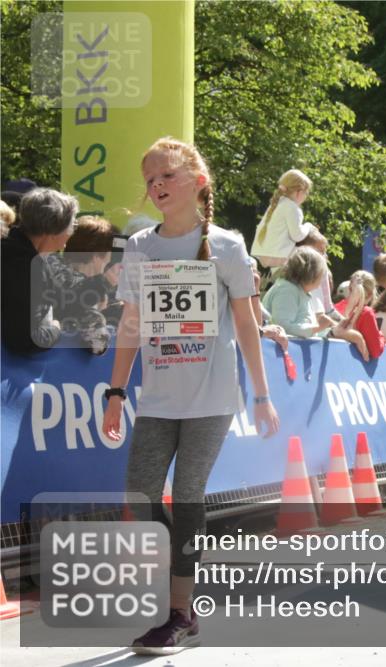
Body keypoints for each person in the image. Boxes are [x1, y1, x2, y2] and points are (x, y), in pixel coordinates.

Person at [101, 137, 279, 654]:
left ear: (197, 182)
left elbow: (246, 323)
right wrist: (116, 391)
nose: (156, 186)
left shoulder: (225, 244)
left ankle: (179, 613)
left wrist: (261, 394)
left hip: (212, 397)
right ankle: (182, 597)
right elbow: (131, 325)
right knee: (140, 491)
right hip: (157, 398)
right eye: (150, 179)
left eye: (167, 177)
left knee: (189, 495)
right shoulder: (140, 246)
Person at [0, 188, 79, 354]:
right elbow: (27, 339)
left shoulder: (13, 248)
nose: (72, 232)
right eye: (72, 225)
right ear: (53, 230)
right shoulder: (24, 266)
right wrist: (56, 328)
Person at [46, 215, 122, 355]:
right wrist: (103, 286)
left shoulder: (48, 270)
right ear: (96, 256)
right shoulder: (85, 294)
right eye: (109, 256)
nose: (110, 260)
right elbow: (98, 345)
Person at [260, 246, 336, 339]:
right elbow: (282, 328)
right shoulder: (287, 291)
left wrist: (334, 330)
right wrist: (317, 327)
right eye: (321, 274)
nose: (322, 280)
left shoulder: (298, 290)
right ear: (311, 273)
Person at [249, 169, 315, 270]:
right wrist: (308, 226)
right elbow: (297, 235)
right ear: (299, 192)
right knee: (311, 256)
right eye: (306, 193)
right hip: (278, 255)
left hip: (264, 254)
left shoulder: (277, 204)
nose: (306, 196)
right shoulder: (292, 207)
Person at [333, 270, 384, 361]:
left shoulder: (334, 308)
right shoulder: (366, 313)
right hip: (352, 369)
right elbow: (376, 351)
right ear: (370, 294)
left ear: (349, 288)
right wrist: (381, 335)